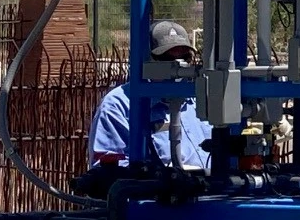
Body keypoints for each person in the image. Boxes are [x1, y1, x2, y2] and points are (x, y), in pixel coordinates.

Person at [90, 20, 212, 171]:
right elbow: (107, 171)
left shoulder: (198, 100)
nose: (179, 67)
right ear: (147, 60)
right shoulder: (119, 105)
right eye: (167, 59)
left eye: (185, 58)